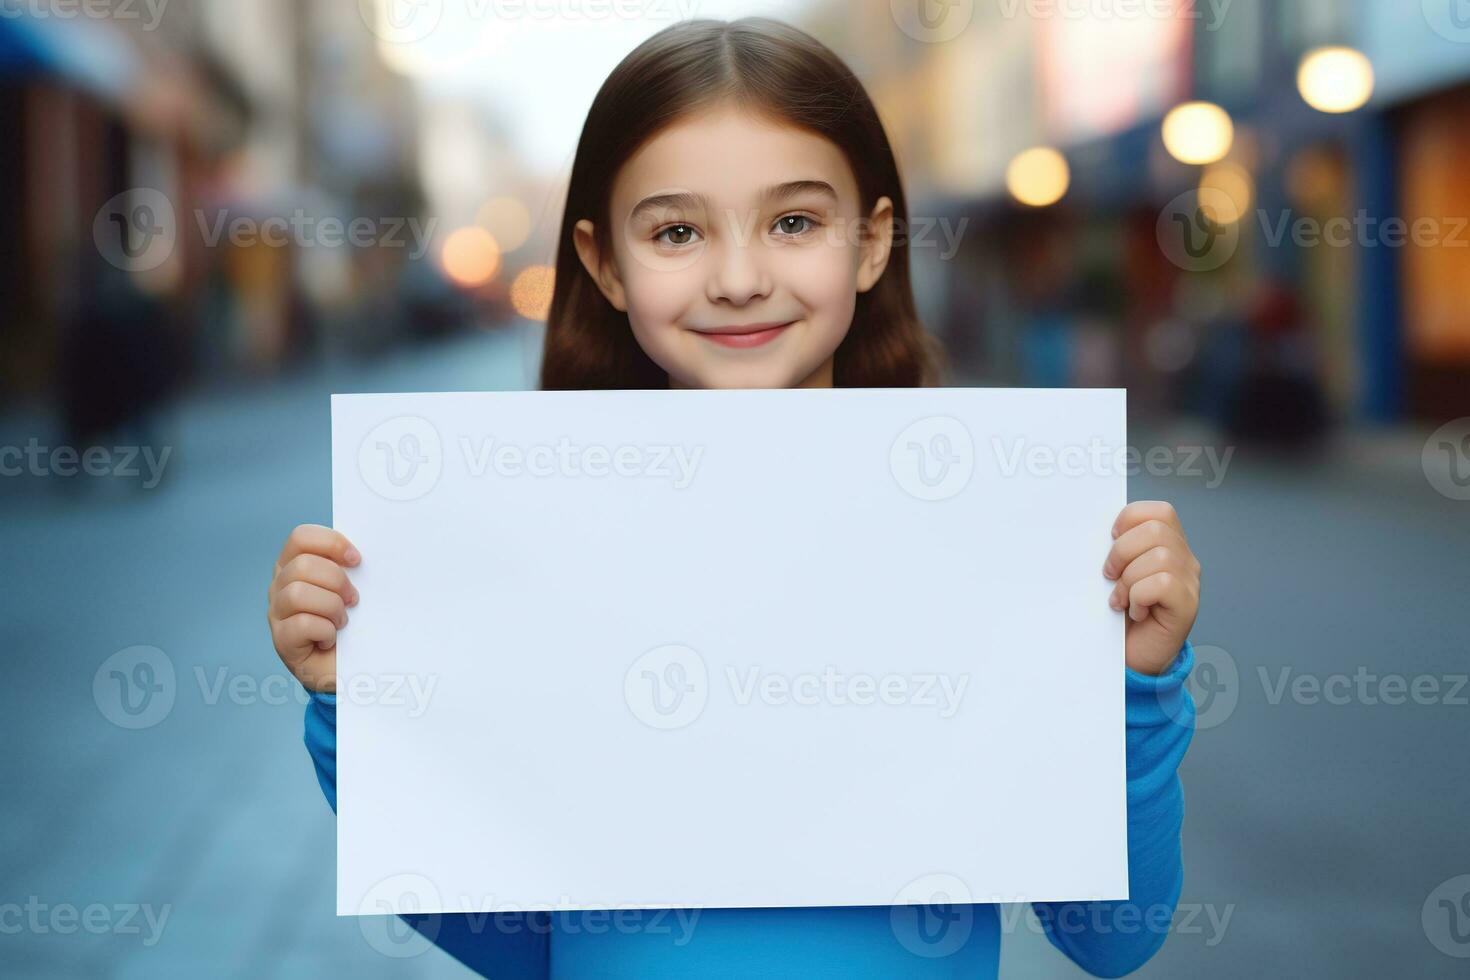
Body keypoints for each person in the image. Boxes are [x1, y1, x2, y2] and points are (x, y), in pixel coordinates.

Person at [266, 18, 1201, 978]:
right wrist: (363, 701)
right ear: (604, 264)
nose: (742, 278)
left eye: (794, 222)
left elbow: (1111, 936)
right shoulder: (537, 556)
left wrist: (1133, 685)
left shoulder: (997, 538)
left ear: (872, 242)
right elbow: (518, 948)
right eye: (678, 231)